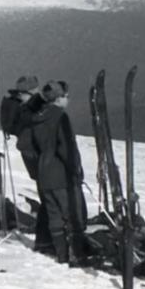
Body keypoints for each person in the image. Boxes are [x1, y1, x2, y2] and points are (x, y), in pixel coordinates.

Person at [31, 80, 86, 264]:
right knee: (72, 214)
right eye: (66, 96)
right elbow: (66, 147)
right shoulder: (60, 117)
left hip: (44, 174)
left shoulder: (38, 116)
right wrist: (75, 170)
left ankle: (62, 255)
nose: (68, 99)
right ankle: (77, 255)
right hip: (61, 175)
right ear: (58, 98)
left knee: (54, 216)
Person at [0, 76, 52, 253]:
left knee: (47, 196)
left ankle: (47, 239)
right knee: (49, 197)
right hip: (39, 157)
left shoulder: (24, 108)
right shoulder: (28, 111)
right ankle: (46, 241)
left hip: (35, 157)